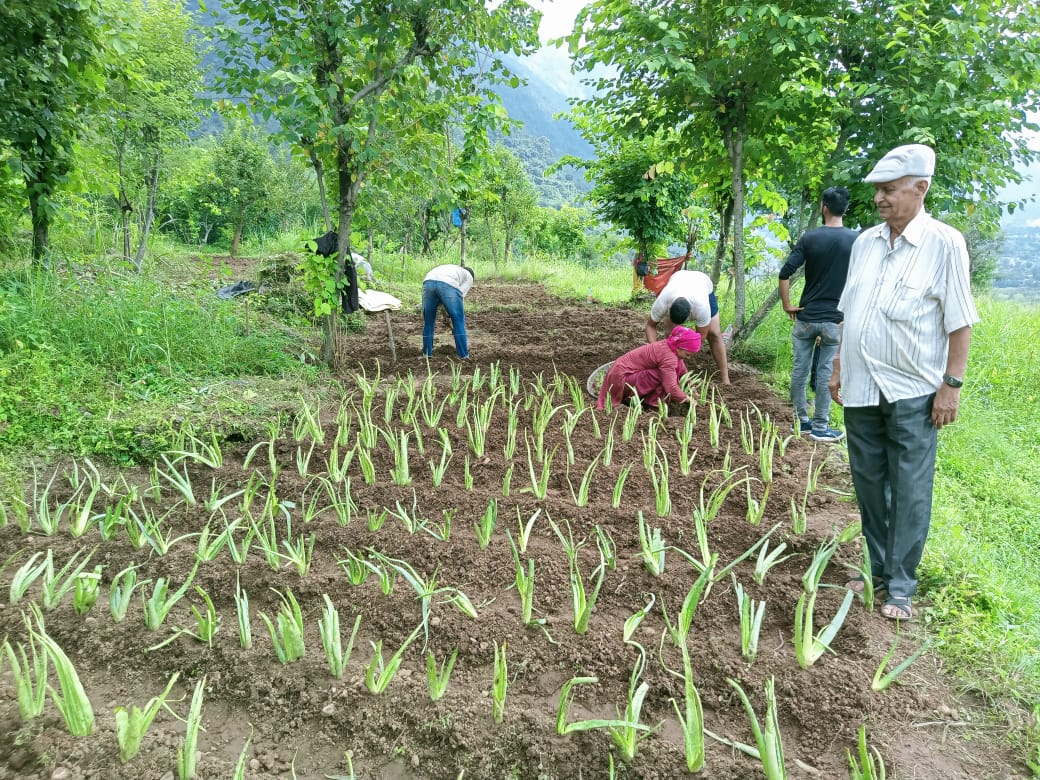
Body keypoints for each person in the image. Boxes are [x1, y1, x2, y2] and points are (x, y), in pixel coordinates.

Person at [829, 144, 978, 621]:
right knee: (869, 483)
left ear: (921, 188)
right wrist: (835, 366)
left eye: (890, 190)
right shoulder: (864, 243)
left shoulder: (944, 242)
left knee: (910, 485)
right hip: (861, 386)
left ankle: (901, 584)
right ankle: (876, 570)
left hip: (914, 389)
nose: (879, 199)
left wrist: (951, 384)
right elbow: (850, 312)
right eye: (877, 190)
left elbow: (959, 321)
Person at [778, 186, 859, 442]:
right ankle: (821, 427)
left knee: (799, 370)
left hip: (806, 317)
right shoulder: (856, 240)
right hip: (836, 320)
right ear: (846, 208)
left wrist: (787, 305)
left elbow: (784, 273)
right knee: (825, 372)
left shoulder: (810, 238)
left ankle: (801, 422)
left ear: (824, 206)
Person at [644, 269, 730, 384]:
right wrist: (654, 348)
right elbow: (650, 326)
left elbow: (700, 338)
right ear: (668, 309)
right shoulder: (662, 302)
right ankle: (670, 366)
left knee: (714, 334)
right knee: (670, 334)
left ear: (691, 314)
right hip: (677, 278)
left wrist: (684, 353)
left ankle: (725, 379)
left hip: (702, 283)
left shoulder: (701, 307)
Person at [596, 326, 702, 411]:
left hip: (619, 374)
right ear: (679, 347)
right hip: (621, 379)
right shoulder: (669, 357)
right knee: (663, 376)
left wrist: (692, 389)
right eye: (687, 354)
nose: (687, 358)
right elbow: (670, 387)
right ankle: (653, 406)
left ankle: (648, 402)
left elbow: (682, 369)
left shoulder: (671, 346)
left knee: (669, 373)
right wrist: (687, 399)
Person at [422, 263, 474, 359]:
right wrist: (451, 315)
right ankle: (463, 355)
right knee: (458, 320)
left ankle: (427, 353)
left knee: (428, 321)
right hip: (447, 284)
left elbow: (441, 299)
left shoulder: (453, 269)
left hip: (428, 282)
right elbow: (460, 295)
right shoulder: (469, 276)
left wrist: (445, 315)